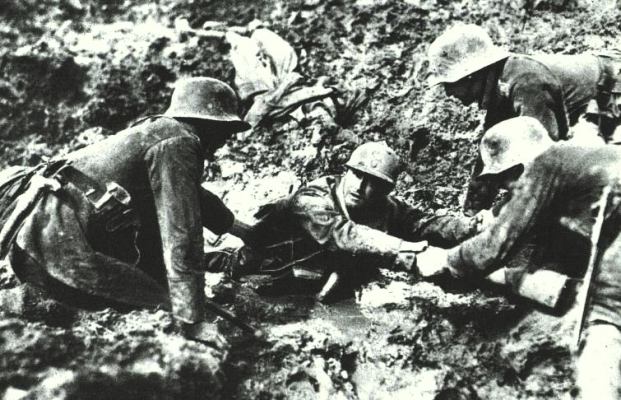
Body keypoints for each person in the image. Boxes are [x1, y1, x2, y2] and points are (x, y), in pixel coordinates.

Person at [0, 77, 250, 346]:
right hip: (55, 252)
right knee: (158, 304)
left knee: (159, 287)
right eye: (227, 128)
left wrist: (247, 232)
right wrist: (193, 321)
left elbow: (191, 196)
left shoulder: (157, 131)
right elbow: (181, 230)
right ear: (208, 122)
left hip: (37, 239)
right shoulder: (179, 143)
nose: (228, 138)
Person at [416, 116, 621, 399]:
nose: (507, 189)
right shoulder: (578, 156)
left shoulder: (546, 165)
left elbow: (495, 247)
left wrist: (446, 260)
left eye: (505, 181)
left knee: (603, 329)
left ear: (518, 164)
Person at [205, 141, 482, 301]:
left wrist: (471, 227)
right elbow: (344, 234)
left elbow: (423, 223)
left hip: (314, 280)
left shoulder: (384, 207)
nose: (360, 186)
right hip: (256, 271)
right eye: (357, 174)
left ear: (386, 191)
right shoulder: (311, 199)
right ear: (345, 172)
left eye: (373, 182)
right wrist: (413, 254)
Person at [427, 23, 621, 213]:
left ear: (470, 76)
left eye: (449, 84)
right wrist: (471, 216)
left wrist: (503, 216)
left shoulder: (526, 83)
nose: (448, 93)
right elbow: (488, 159)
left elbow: (543, 163)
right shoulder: (500, 86)